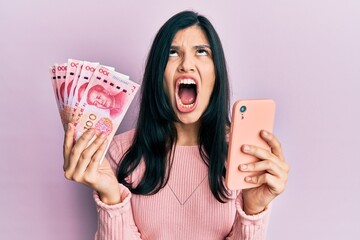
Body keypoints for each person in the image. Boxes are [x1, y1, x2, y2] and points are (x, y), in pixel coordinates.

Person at [63, 10, 290, 239]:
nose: (186, 65)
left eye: (201, 52)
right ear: (157, 74)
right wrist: (111, 198)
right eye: (172, 53)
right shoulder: (121, 153)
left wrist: (253, 210)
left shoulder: (244, 156)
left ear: (216, 73)